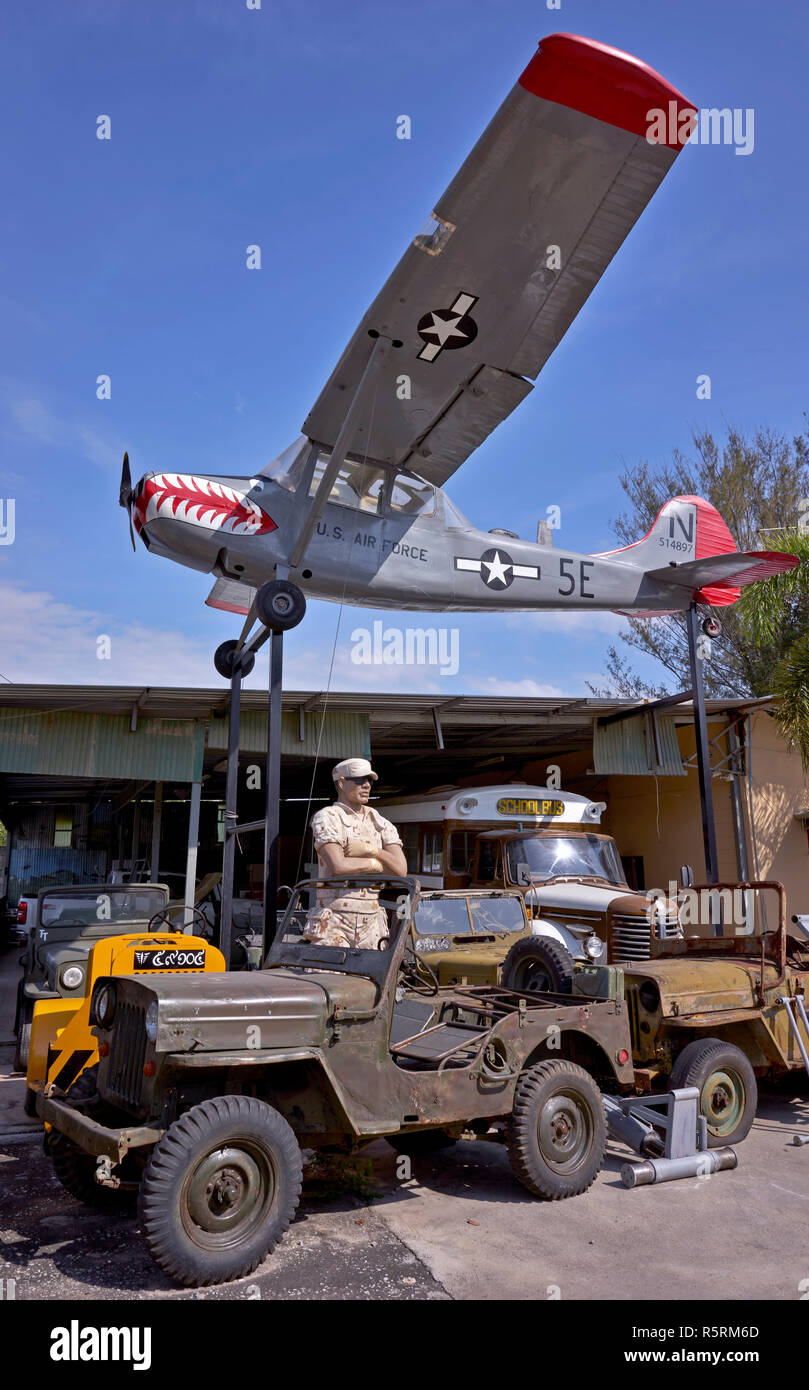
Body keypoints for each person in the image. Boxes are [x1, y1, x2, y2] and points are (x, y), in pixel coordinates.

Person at [304, 758, 407, 949]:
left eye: (370, 780)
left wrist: (373, 851)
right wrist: (375, 865)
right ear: (341, 783)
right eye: (359, 780)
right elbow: (338, 866)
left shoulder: (379, 821)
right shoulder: (328, 817)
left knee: (371, 977)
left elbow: (400, 870)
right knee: (330, 977)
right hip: (335, 919)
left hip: (372, 920)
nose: (367, 785)